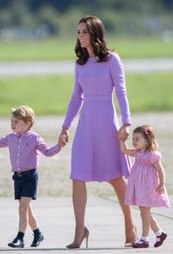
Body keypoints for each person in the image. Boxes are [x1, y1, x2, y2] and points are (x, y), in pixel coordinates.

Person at [59, 15, 137, 248]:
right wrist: (65, 127)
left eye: (84, 31)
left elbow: (121, 92)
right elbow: (76, 97)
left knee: (115, 177)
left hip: (107, 121)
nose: (80, 36)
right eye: (78, 31)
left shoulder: (112, 59)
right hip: (86, 125)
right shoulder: (79, 63)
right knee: (78, 176)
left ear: (95, 34)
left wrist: (126, 122)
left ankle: (130, 225)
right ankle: (79, 230)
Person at [0, 105, 66, 248]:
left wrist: (59, 146)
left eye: (16, 122)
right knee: (26, 209)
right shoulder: (10, 137)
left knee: (23, 207)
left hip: (30, 177)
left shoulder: (35, 138)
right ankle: (37, 233)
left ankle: (20, 238)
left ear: (27, 123)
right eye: (11, 121)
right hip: (17, 178)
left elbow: (48, 152)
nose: (12, 124)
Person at [118, 125, 170, 248]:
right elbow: (124, 151)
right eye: (133, 139)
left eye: (137, 139)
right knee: (144, 212)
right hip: (139, 186)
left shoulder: (152, 155)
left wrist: (162, 183)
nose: (134, 142)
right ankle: (159, 233)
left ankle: (144, 239)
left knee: (144, 213)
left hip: (148, 186)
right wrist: (122, 141)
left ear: (147, 140)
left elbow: (160, 170)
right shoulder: (137, 153)